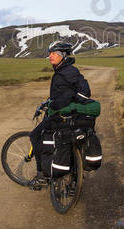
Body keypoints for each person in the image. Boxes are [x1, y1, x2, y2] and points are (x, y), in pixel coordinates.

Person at [28, 41, 92, 189]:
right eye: (50, 53)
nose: (50, 56)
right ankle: (73, 181)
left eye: (54, 53)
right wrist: (49, 101)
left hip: (62, 115)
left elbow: (83, 92)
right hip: (65, 113)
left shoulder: (68, 72)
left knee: (35, 135)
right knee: (66, 143)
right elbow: (64, 92)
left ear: (63, 55)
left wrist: (60, 104)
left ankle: (41, 176)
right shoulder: (63, 70)